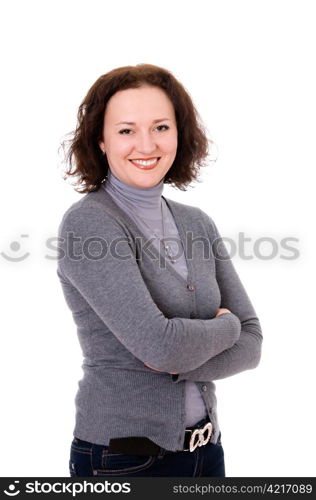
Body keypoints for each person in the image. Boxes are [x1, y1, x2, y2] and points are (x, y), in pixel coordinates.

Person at [57, 63, 263, 477]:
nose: (146, 144)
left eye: (161, 127)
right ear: (100, 140)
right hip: (124, 459)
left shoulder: (197, 222)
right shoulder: (90, 225)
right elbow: (162, 346)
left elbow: (253, 342)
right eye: (126, 130)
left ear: (179, 133)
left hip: (207, 452)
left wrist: (178, 353)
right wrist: (225, 329)